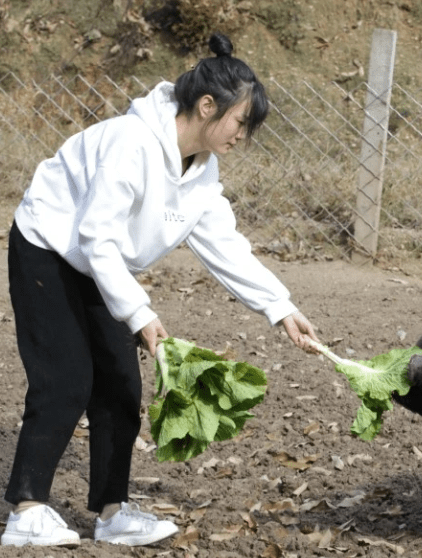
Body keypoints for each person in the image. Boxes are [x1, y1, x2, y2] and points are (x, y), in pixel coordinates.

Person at [1, 32, 319, 547]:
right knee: (66, 379)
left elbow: (225, 246)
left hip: (102, 265)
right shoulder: (132, 143)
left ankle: (112, 512)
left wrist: (280, 307)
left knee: (122, 386)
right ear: (207, 105)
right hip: (48, 246)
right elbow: (95, 237)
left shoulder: (202, 171)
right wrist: (141, 315)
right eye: (240, 122)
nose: (242, 136)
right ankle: (27, 511)